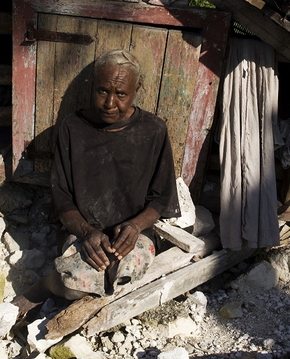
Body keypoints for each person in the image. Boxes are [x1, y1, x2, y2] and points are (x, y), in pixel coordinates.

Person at [12, 49, 179, 316]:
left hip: (133, 235)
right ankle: (45, 286)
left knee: (122, 276)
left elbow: (161, 198)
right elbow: (62, 197)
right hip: (83, 233)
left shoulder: (154, 130)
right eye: (103, 91)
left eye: (121, 94)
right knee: (74, 287)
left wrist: (135, 227)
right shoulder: (72, 128)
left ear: (137, 90)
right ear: (93, 87)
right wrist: (87, 232)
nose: (110, 102)